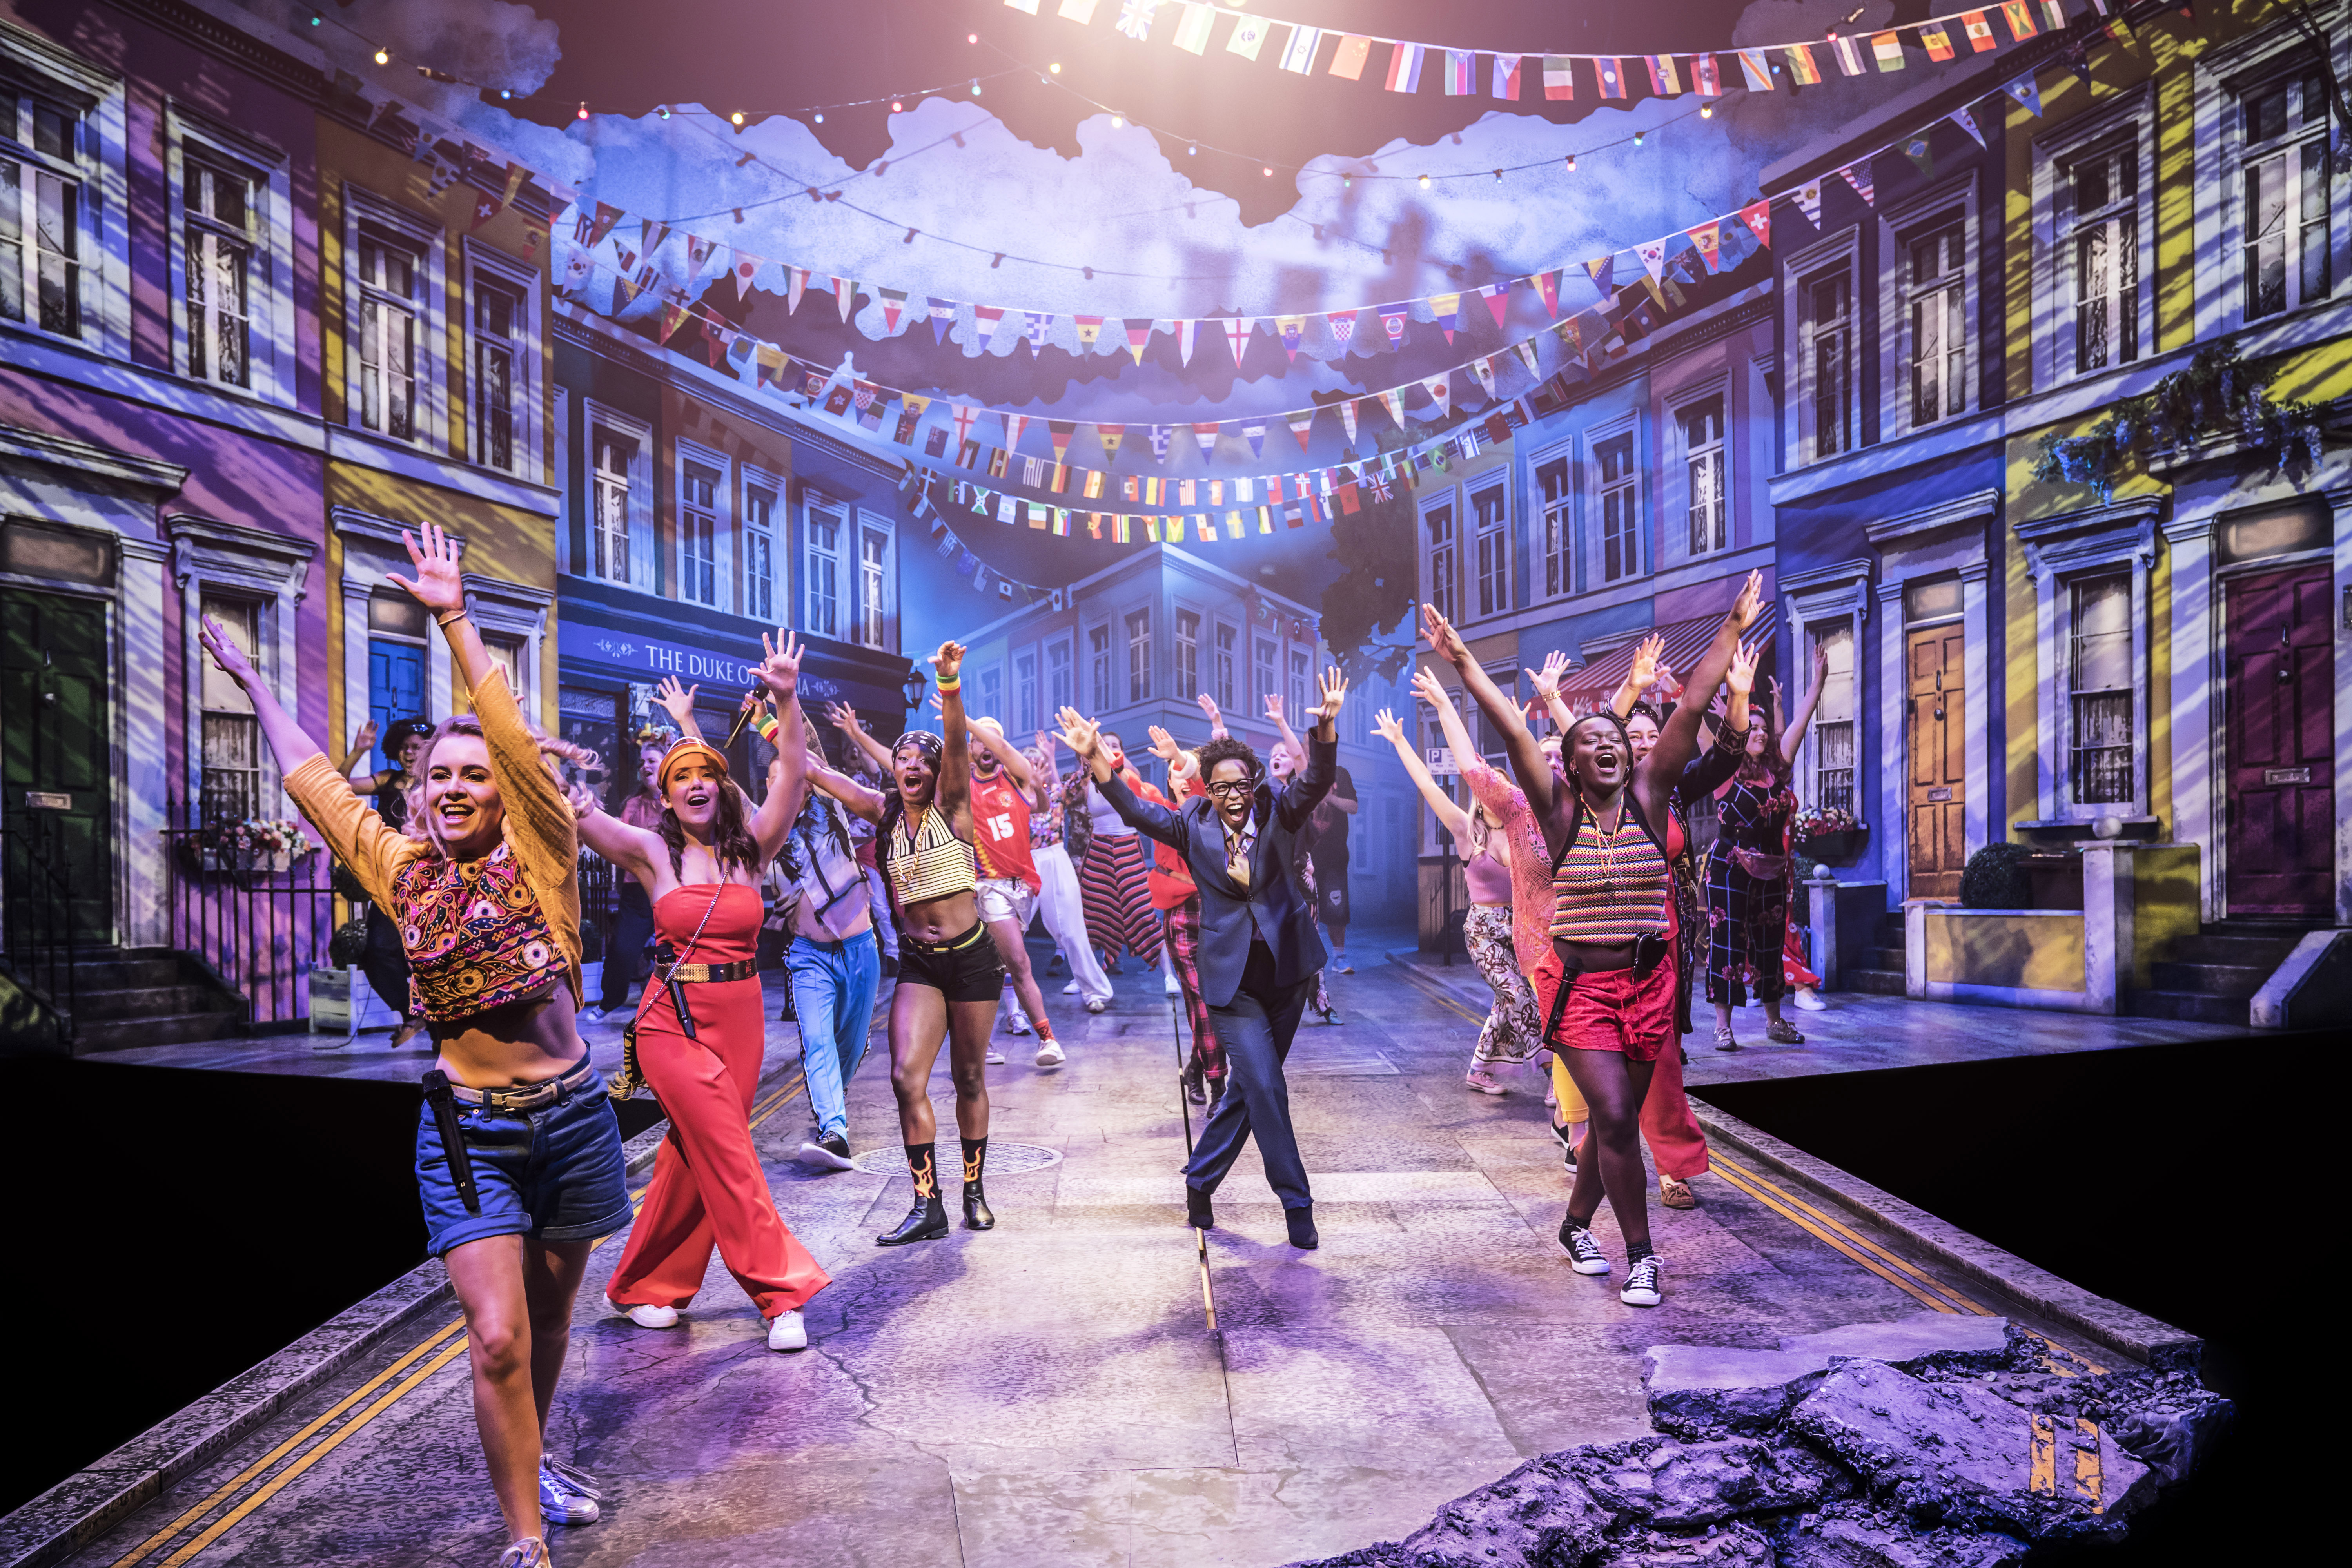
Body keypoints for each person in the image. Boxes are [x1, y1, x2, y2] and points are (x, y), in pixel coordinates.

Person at [203, 522, 630, 1566]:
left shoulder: (546, 854)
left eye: (471, 776)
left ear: (501, 794)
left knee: (551, 1323)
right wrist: (256, 682)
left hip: (572, 1120)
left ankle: (539, 1461)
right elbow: (315, 782)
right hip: (466, 1133)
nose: (450, 788)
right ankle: (524, 1541)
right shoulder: (401, 871)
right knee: (497, 1341)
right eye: (436, 775)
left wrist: (455, 618)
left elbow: (518, 747)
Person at [1423, 573, 1760, 1309]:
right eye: (1592, 743)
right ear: (1571, 766)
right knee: (1612, 1118)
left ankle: (1576, 1223)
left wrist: (1731, 630)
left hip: (1651, 986)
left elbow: (1695, 703)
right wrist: (1461, 661)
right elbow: (1512, 730)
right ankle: (1641, 1257)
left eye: (1616, 739)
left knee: (1617, 1123)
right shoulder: (1554, 812)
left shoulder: (1650, 797)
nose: (1608, 746)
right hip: (1579, 991)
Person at [570, 633, 829, 1355]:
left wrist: (784, 694)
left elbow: (794, 774)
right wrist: (552, 764)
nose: (693, 783)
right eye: (680, 775)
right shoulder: (652, 851)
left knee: (695, 1154)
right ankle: (781, 1291)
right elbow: (581, 816)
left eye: (704, 773)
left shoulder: (756, 848)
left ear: (719, 786)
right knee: (727, 1149)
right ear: (667, 793)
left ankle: (647, 1285)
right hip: (669, 1021)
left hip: (740, 1017)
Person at [1055, 664, 1348, 1252]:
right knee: (1265, 1086)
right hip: (1232, 984)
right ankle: (1297, 1203)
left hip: (1288, 974)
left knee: (1249, 1091)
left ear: (1257, 784)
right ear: (1207, 792)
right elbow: (1139, 813)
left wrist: (1326, 729)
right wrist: (1097, 760)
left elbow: (1315, 782)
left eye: (1243, 785)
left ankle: (1199, 1180)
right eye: (1222, 788)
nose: (1234, 796)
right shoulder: (1192, 824)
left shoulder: (1281, 815)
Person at [812, 642, 1005, 1244]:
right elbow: (819, 772)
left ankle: (973, 1190)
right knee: (905, 1078)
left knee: (969, 1077)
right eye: (902, 760)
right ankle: (929, 1205)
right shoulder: (885, 813)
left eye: (922, 759)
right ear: (894, 771)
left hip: (972, 962)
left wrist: (949, 684)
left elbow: (952, 742)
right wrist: (779, 714)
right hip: (922, 965)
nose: (912, 766)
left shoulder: (955, 807)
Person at [1376, 684, 1540, 1094]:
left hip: (1523, 924)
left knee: (1517, 997)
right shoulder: (1469, 833)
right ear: (1481, 801)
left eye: (1500, 789)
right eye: (1488, 791)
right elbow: (1430, 787)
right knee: (1516, 993)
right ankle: (1554, 1068)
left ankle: (1480, 1070)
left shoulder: (1527, 830)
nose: (1494, 796)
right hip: (1484, 931)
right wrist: (1400, 743)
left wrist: (1521, 730)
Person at [761, 718, 884, 1172]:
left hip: (861, 951)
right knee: (817, 1042)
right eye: (774, 781)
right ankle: (834, 1131)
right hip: (809, 957)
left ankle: (834, 1096)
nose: (784, 785)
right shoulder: (764, 834)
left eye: (791, 775)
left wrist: (772, 711)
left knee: (846, 1049)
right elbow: (727, 794)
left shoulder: (829, 804)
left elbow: (806, 744)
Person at [1706, 645, 1827, 1051]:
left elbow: (1802, 719)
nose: (1758, 732)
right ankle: (1724, 1027)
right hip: (1730, 867)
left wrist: (1818, 682)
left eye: (1762, 728)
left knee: (1771, 944)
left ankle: (1775, 1021)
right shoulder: (1724, 771)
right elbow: (1709, 726)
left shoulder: (1779, 765)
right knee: (1728, 942)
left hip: (1774, 867)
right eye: (1750, 727)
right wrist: (1732, 706)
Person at [961, 713, 1067, 1068]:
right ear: (971, 747)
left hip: (1024, 886)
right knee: (1019, 963)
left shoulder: (1015, 777)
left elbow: (1041, 805)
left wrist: (1037, 786)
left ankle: (979, 1045)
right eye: (979, 740)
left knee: (994, 967)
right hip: (988, 886)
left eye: (993, 740)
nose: (987, 745)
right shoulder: (964, 785)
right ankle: (1048, 1039)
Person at [1138, 721, 1223, 1106]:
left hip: (1221, 915)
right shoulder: (1164, 815)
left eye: (1187, 775)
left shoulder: (1217, 817)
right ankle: (1217, 1080)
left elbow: (1201, 783)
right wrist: (1102, 759)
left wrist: (1181, 758)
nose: (1182, 781)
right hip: (1181, 916)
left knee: (1211, 1001)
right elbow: (1131, 796)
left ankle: (1194, 1066)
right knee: (1204, 999)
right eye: (1175, 776)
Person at [343, 715, 436, 1047]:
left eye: (417, 747)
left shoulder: (439, 781)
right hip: (391, 879)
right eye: (404, 748)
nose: (410, 753)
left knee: (432, 956)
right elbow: (338, 786)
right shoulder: (388, 780)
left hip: (432, 881)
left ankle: (444, 1039)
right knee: (378, 951)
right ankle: (413, 1015)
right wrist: (358, 750)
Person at [1024, 734, 1115, 1014]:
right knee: (1009, 932)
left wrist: (1059, 755)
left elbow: (1084, 773)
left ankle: (1095, 991)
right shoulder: (1011, 798)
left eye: (1039, 764)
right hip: (1025, 862)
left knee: (1073, 930)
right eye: (1029, 765)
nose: (1036, 768)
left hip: (1055, 857)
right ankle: (1005, 1006)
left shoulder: (1055, 794)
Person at [587, 731, 671, 1022]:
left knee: (676, 952)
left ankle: (672, 1009)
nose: (645, 766)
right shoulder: (634, 804)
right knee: (622, 951)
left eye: (652, 761)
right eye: (642, 763)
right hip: (636, 891)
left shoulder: (678, 800)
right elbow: (618, 838)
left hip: (671, 888)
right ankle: (610, 1002)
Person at [1065, 731, 1163, 975]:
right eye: (1104, 745)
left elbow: (1131, 773)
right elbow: (1067, 797)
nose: (1108, 748)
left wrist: (1108, 753)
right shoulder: (1087, 781)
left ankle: (1169, 975)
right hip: (1097, 848)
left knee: (1141, 908)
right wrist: (1088, 756)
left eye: (1115, 745)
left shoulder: (1128, 776)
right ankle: (1086, 979)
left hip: (1128, 846)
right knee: (1092, 912)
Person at [1265, 711, 1340, 1027]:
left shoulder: (1300, 796)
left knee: (1310, 944)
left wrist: (1283, 722)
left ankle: (1322, 1003)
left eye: (1283, 754)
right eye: (1273, 755)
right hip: (1268, 882)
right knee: (1270, 946)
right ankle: (1272, 1006)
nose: (1279, 757)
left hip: (1301, 880)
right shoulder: (1260, 793)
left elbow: (1300, 756)